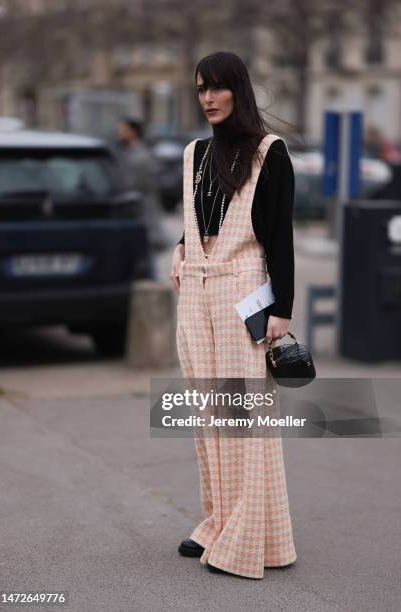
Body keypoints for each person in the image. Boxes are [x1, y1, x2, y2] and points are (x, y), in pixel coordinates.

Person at [170, 51, 297, 579]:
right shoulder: (193, 152)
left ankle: (249, 539)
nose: (208, 98)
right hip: (194, 293)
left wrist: (282, 310)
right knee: (208, 418)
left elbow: (279, 238)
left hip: (243, 291)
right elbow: (198, 215)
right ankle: (220, 521)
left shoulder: (270, 153)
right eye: (201, 88)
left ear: (238, 91)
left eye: (218, 88)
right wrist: (179, 250)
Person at [114, 118, 169, 266]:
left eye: (123, 130)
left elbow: (134, 186)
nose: (118, 133)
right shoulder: (126, 153)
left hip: (142, 215)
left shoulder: (141, 156)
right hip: (135, 216)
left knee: (146, 260)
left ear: (133, 132)